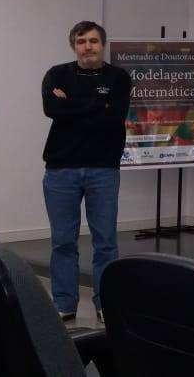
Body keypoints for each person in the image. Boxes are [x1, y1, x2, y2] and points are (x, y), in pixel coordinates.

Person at [42, 21, 131, 323]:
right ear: (73, 46)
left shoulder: (118, 78)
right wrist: (97, 105)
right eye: (81, 41)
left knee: (105, 241)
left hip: (103, 170)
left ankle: (106, 303)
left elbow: (113, 118)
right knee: (62, 242)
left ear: (103, 45)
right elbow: (52, 110)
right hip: (60, 171)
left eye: (93, 41)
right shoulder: (56, 75)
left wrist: (71, 105)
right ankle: (64, 304)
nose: (88, 46)